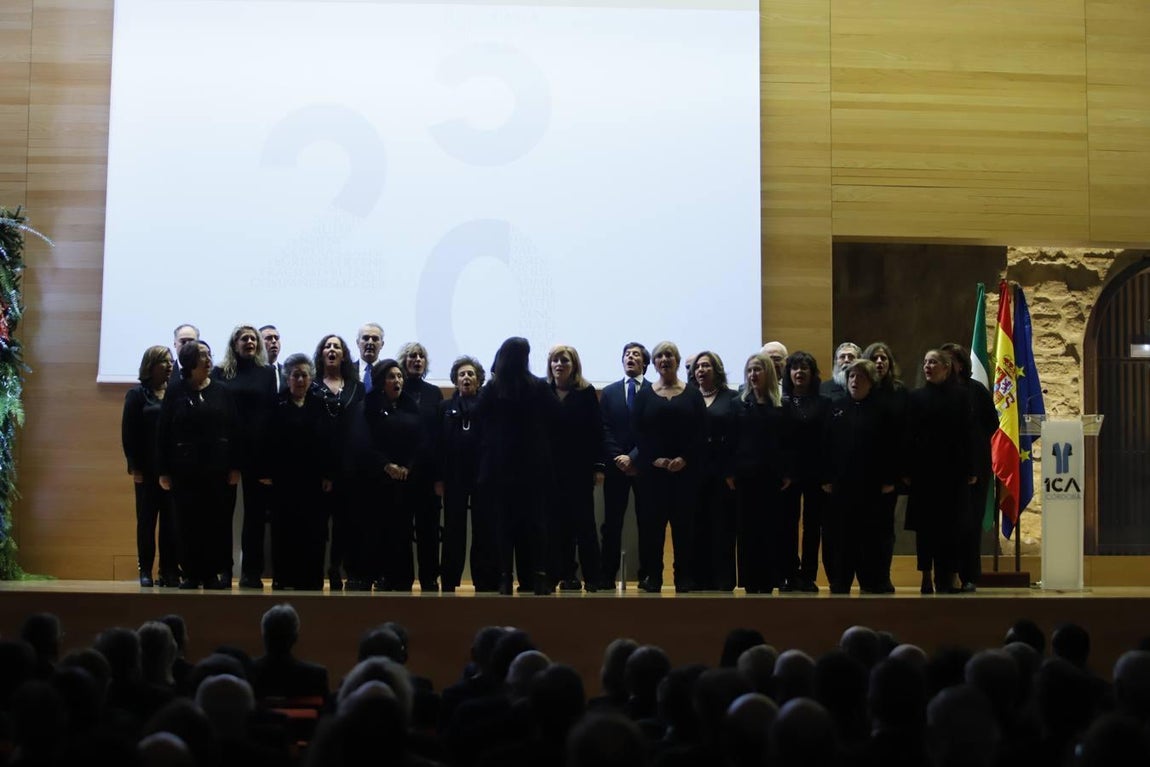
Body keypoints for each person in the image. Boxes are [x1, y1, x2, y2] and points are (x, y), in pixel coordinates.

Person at [476, 337, 560, 595]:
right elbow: (557, 418)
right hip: (533, 467)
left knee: (503, 525)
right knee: (535, 524)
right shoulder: (539, 387)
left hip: (500, 467)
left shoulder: (492, 389)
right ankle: (537, 576)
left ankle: (505, 578)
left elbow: (479, 419)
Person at [156, 341, 239, 589]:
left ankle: (211, 574)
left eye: (209, 354)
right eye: (203, 355)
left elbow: (234, 430)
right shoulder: (175, 391)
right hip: (184, 470)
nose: (208, 359)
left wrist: (235, 466)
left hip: (216, 469)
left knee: (214, 522)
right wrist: (163, 470)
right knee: (186, 522)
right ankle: (191, 573)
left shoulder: (223, 391)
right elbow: (164, 431)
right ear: (190, 362)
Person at [632, 341, 705, 593]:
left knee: (685, 528)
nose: (665, 359)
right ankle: (653, 576)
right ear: (653, 363)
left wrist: (684, 458)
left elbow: (700, 432)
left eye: (670, 355)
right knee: (652, 528)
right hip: (653, 474)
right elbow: (638, 432)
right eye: (660, 356)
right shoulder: (644, 395)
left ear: (677, 360)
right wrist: (655, 459)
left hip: (685, 473)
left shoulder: (693, 394)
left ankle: (683, 576)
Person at [820, 359, 898, 593]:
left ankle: (871, 581)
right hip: (842, 486)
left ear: (871, 382)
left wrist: (889, 479)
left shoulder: (883, 410)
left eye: (860, 377)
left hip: (872, 486)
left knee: (871, 537)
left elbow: (892, 448)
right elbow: (825, 445)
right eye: (852, 376)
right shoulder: (836, 407)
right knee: (842, 537)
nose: (855, 381)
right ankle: (840, 581)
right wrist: (826, 477)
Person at [258, 353, 334, 590]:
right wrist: (267, 471)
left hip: (313, 481)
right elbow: (265, 441)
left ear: (311, 378)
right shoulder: (275, 404)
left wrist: (328, 475)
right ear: (287, 378)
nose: (300, 380)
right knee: (284, 530)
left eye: (304, 375)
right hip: (284, 480)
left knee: (313, 531)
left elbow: (329, 443)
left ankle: (311, 578)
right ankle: (284, 577)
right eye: (295, 375)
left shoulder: (320, 405)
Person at [212, 325, 278, 589]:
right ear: (234, 343)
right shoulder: (220, 373)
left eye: (253, 338)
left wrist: (269, 461)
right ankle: (224, 571)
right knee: (222, 516)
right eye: (244, 338)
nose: (250, 341)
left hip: (258, 455)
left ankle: (252, 572)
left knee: (255, 517)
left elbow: (272, 416)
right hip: (226, 455)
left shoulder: (267, 373)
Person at [905, 349, 977, 594]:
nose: (928, 366)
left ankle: (950, 577)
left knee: (952, 527)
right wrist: (907, 469)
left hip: (953, 474)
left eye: (933, 362)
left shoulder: (961, 397)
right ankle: (926, 575)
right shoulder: (915, 397)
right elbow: (908, 436)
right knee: (926, 529)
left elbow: (968, 435)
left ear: (947, 368)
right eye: (925, 362)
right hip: (924, 473)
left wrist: (971, 467)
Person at [360, 358, 426, 591]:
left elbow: (420, 442)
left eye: (399, 376)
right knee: (380, 530)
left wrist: (408, 466)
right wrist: (387, 465)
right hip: (378, 479)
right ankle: (381, 576)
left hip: (406, 480)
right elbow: (365, 442)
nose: (397, 380)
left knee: (403, 531)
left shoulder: (410, 404)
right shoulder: (369, 405)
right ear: (380, 382)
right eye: (391, 377)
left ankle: (403, 579)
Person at [546, 344, 605, 592]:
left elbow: (596, 432)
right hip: (549, 471)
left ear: (574, 366)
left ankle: (592, 577)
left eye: (565, 361)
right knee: (557, 527)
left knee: (584, 526)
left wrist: (598, 467)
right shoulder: (543, 392)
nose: (560, 364)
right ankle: (564, 576)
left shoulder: (586, 392)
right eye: (556, 360)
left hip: (579, 470)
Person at [729, 353, 790, 593]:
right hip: (745, 477)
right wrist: (730, 472)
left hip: (772, 477)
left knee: (771, 529)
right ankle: (750, 580)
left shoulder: (780, 405)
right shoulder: (738, 404)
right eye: (750, 370)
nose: (753, 375)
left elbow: (786, 443)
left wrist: (787, 472)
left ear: (769, 374)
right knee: (747, 530)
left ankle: (769, 578)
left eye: (758, 370)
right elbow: (731, 441)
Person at [940, 342, 999, 593]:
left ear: (961, 365)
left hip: (974, 466)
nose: (945, 365)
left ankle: (969, 576)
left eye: (949, 361)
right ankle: (945, 576)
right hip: (945, 468)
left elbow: (992, 424)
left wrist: (973, 448)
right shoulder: (938, 391)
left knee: (969, 524)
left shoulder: (976, 391)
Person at [435, 356, 495, 592]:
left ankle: (484, 580)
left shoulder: (488, 407)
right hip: (454, 478)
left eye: (471, 374)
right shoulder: (444, 408)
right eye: (462, 374)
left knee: (483, 530)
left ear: (479, 380)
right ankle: (449, 580)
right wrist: (439, 478)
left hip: (483, 478)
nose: (466, 378)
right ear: (455, 380)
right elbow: (438, 444)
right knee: (453, 531)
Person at [121, 345, 178, 587]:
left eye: (171, 361)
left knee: (170, 523)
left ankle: (168, 570)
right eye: (164, 361)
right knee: (146, 522)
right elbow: (128, 433)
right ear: (151, 365)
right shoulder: (137, 395)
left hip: (171, 471)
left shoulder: (176, 394)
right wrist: (134, 467)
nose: (169, 366)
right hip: (146, 470)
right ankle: (145, 569)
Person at [313, 333, 364, 591]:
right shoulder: (311, 385)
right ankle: (315, 571)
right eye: (327, 346)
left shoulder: (357, 387)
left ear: (344, 354)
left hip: (350, 467)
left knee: (346, 525)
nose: (332, 350)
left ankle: (337, 568)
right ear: (321, 354)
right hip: (319, 466)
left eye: (337, 347)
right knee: (319, 524)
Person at [598, 342, 650, 590]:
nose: (631, 358)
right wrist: (619, 456)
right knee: (612, 523)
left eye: (636, 355)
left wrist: (635, 458)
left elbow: (653, 431)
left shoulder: (653, 391)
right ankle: (606, 576)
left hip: (644, 467)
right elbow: (604, 428)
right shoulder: (609, 392)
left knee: (648, 522)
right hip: (615, 467)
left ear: (645, 363)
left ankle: (648, 575)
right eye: (627, 355)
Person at [691, 350, 741, 591]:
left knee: (722, 527)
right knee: (697, 526)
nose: (701, 369)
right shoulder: (689, 397)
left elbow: (737, 438)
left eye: (706, 366)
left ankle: (723, 580)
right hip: (694, 471)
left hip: (723, 473)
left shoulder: (732, 397)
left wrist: (731, 470)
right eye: (698, 366)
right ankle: (700, 579)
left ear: (717, 369)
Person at [779, 351, 830, 592]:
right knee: (788, 525)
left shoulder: (824, 403)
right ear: (789, 373)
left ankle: (808, 575)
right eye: (795, 368)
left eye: (805, 368)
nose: (799, 372)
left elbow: (829, 440)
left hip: (816, 474)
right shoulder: (780, 402)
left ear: (812, 374)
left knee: (812, 527)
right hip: (788, 475)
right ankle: (789, 573)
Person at [863, 341, 910, 593]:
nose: (880, 362)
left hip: (889, 472)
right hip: (863, 473)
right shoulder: (861, 390)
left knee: (885, 529)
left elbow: (904, 435)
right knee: (865, 529)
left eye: (884, 358)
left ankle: (883, 576)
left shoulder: (899, 392)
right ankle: (867, 577)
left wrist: (897, 474)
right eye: (875, 358)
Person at [398, 341, 444, 592]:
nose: (417, 360)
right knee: (402, 529)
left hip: (427, 473)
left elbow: (438, 437)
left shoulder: (434, 393)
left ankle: (429, 578)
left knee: (428, 530)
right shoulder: (396, 390)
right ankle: (404, 578)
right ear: (403, 361)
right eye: (412, 356)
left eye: (421, 356)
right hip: (402, 472)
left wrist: (439, 477)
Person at [356, 323, 384, 393]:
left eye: (375, 339)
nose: (370, 342)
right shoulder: (348, 371)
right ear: (357, 343)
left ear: (382, 344)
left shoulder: (387, 372)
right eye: (365, 338)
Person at [260, 325, 285, 391]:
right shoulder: (252, 371)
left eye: (276, 338)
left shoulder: (287, 373)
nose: (274, 341)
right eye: (269, 338)